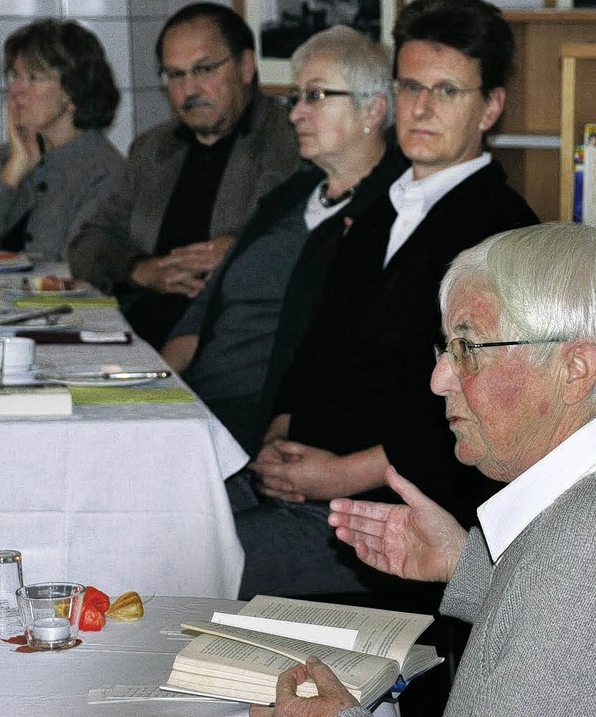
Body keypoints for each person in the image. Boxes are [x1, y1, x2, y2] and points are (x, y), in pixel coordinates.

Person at [236, 0, 540, 604]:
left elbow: (483, 406)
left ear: (490, 108)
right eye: (409, 87)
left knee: (186, 559)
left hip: (388, 519)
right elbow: (317, 341)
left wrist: (341, 474)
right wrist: (279, 430)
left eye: (447, 91)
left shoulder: (500, 231)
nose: (421, 109)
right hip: (300, 477)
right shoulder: (379, 204)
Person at [254, 221, 596, 717]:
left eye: (467, 349)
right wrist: (464, 564)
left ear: (574, 372)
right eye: (444, 349)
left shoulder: (578, 546)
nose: (439, 381)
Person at [162, 25, 408, 456]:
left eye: (314, 96)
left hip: (262, 427)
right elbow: (205, 312)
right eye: (296, 99)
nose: (295, 113)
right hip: (197, 409)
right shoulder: (289, 197)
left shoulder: (388, 217)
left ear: (372, 111)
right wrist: (156, 396)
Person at [68, 3, 300, 349]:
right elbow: (87, 244)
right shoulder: (153, 149)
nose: (189, 90)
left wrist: (240, 251)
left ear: (246, 66)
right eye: (175, 75)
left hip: (232, 343)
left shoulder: (289, 142)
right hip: (135, 335)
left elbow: (305, 241)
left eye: (204, 70)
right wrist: (142, 270)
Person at [0, 18, 124, 259]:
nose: (15, 89)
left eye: (33, 78)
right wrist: (12, 174)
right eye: (15, 75)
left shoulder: (105, 173)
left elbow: (79, 268)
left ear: (73, 92)